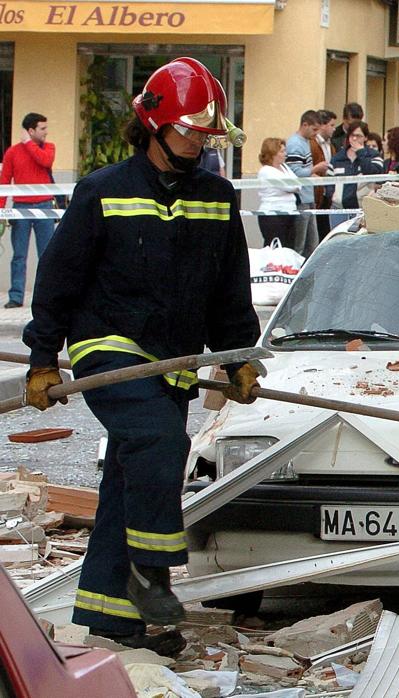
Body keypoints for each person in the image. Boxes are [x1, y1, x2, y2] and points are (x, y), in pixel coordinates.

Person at [22, 57, 260, 656]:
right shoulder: (101, 191)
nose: (198, 148)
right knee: (158, 442)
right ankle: (152, 572)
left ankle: (111, 618)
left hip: (171, 362)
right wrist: (43, 358)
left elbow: (229, 288)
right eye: (188, 133)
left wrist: (238, 358)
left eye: (207, 138)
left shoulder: (217, 197)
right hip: (107, 351)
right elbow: (58, 280)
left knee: (129, 478)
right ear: (151, 126)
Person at [0, 112, 57, 309]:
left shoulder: (48, 148)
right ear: (31, 130)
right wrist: (1, 212)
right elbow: (4, 181)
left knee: (47, 255)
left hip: (45, 206)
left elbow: (45, 161)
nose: (46, 132)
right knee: (19, 255)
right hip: (21, 208)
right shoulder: (12, 153)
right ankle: (16, 296)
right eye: (42, 129)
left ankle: (48, 296)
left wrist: (28, 144)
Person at [257, 137, 315, 251]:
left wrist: (294, 186)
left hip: (290, 211)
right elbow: (291, 186)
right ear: (273, 153)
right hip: (273, 214)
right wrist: (293, 186)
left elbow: (298, 184)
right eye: (282, 151)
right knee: (275, 247)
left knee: (288, 247)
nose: (285, 154)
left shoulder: (285, 167)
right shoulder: (266, 171)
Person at [285, 110, 326, 257]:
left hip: (308, 198)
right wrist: (315, 169)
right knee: (300, 245)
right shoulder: (295, 144)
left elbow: (303, 170)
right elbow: (294, 172)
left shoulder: (305, 142)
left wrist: (312, 174)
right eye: (314, 130)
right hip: (301, 198)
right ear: (305, 125)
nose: (316, 134)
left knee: (312, 244)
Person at [331, 121, 384, 209]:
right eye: (352, 135)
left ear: (365, 138)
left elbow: (372, 173)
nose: (354, 139)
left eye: (358, 136)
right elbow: (329, 181)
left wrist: (361, 152)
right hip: (339, 209)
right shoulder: (338, 157)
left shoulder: (374, 155)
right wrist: (333, 197)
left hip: (364, 209)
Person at [312, 110, 337, 239]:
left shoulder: (331, 146)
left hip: (328, 192)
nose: (334, 129)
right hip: (316, 193)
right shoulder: (312, 144)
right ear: (322, 125)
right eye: (331, 125)